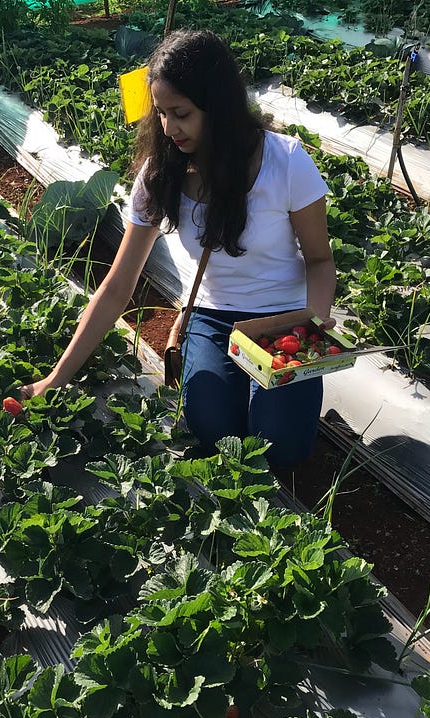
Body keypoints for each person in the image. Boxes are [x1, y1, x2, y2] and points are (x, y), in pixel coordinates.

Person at [21, 28, 335, 467]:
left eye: (181, 113)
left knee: (278, 448)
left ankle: (289, 408)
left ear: (218, 107)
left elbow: (320, 261)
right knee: (211, 433)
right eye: (161, 113)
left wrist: (312, 327)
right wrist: (55, 379)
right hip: (213, 316)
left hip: (283, 318)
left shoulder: (285, 163)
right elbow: (116, 287)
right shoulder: (160, 176)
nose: (169, 128)